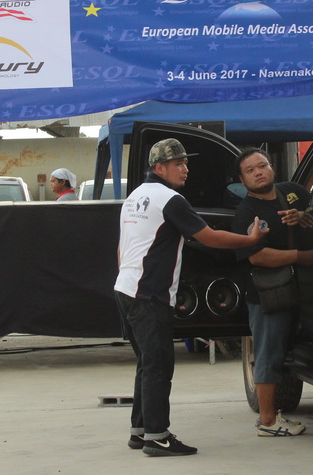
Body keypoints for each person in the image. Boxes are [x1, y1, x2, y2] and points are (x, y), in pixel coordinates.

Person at [115, 138, 268, 457]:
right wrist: (251, 239)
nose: (185, 169)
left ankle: (141, 431)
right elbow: (209, 237)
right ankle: (157, 437)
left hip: (126, 288)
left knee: (147, 363)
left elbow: (122, 246)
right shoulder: (170, 199)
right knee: (158, 367)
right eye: (178, 164)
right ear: (159, 168)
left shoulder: (135, 196)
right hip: (149, 294)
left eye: (185, 162)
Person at [232, 148, 313, 437]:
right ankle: (268, 421)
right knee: (268, 353)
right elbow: (257, 256)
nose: (258, 172)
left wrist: (305, 215)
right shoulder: (246, 212)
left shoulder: (294, 192)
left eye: (262, 166)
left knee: (297, 349)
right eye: (250, 170)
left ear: (272, 168)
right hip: (269, 294)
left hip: (308, 291)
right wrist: (302, 256)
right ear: (242, 180)